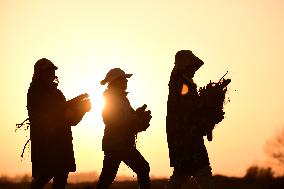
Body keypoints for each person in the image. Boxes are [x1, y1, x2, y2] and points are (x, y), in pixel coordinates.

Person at [27, 58, 91, 189]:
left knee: (61, 174)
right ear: (39, 73)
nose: (51, 74)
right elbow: (55, 113)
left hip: (61, 140)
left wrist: (81, 109)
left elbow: (69, 119)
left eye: (52, 71)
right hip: (46, 142)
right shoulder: (36, 92)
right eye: (48, 71)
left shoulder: (56, 92)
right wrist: (77, 105)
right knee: (47, 173)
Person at [165, 50, 215, 189]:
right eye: (192, 67)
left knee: (180, 175)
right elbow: (189, 107)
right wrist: (208, 104)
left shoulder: (181, 82)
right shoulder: (181, 84)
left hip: (183, 138)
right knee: (203, 173)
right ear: (186, 66)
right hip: (186, 138)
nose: (194, 70)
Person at [96, 68, 152, 189]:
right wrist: (137, 119)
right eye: (123, 79)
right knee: (143, 168)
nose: (126, 82)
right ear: (115, 81)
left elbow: (125, 119)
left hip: (118, 143)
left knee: (107, 177)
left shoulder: (119, 98)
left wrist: (138, 117)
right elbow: (111, 120)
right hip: (119, 144)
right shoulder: (113, 98)